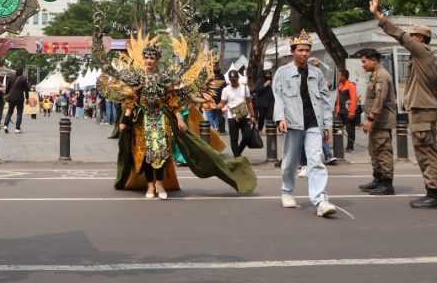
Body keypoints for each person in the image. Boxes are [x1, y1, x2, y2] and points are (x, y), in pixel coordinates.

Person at [97, 30, 257, 200]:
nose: (149, 61)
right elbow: (131, 100)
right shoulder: (137, 78)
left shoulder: (164, 78)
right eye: (147, 57)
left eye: (152, 58)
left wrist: (180, 119)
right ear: (143, 59)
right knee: (145, 153)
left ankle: (160, 184)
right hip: (142, 120)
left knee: (160, 152)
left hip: (161, 118)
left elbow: (172, 101)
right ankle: (150, 185)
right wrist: (125, 121)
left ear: (157, 60)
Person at [371, 0, 437, 209]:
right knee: (426, 151)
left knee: (426, 152)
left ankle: (434, 194)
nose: (409, 41)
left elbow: (401, 36)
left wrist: (379, 17)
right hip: (423, 109)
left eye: (413, 37)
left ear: (419, 39)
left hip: (423, 111)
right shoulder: (423, 58)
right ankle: (433, 192)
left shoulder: (424, 53)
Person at [274, 31, 337, 217]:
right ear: (292, 51)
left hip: (314, 122)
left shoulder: (317, 73)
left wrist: (327, 125)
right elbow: (278, 97)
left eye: (307, 50)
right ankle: (287, 191)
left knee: (316, 160)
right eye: (300, 50)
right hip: (293, 122)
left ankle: (321, 200)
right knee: (290, 161)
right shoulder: (282, 72)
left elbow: (325, 100)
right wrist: (280, 117)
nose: (304, 53)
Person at [358, 48, 396, 196]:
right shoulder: (375, 75)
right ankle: (378, 179)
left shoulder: (382, 76)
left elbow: (379, 100)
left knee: (383, 151)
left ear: (373, 60)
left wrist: (371, 118)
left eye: (364, 61)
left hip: (381, 122)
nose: (363, 65)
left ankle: (387, 184)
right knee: (374, 152)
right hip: (375, 122)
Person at [219, 69, 255, 158]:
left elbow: (249, 102)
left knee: (247, 136)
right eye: (231, 80)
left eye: (235, 79)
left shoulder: (244, 87)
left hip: (245, 116)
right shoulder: (226, 90)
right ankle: (237, 156)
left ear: (238, 78)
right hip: (232, 117)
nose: (233, 82)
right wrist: (215, 106)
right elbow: (222, 103)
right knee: (234, 138)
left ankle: (238, 152)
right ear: (229, 80)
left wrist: (252, 115)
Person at [334, 68, 359, 153]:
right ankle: (338, 145)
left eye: (339, 76)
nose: (338, 77)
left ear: (344, 77)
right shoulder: (340, 85)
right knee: (337, 128)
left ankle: (350, 147)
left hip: (348, 112)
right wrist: (336, 109)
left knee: (350, 130)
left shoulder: (351, 85)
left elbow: (353, 99)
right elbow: (338, 99)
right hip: (340, 111)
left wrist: (352, 112)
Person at [3, 67, 30, 133]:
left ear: (15, 71)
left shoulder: (11, 78)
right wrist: (27, 98)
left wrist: (6, 95)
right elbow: (27, 90)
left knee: (10, 112)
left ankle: (5, 125)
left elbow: (7, 88)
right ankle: (17, 128)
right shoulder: (24, 79)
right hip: (20, 98)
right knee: (19, 113)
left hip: (11, 98)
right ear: (22, 72)